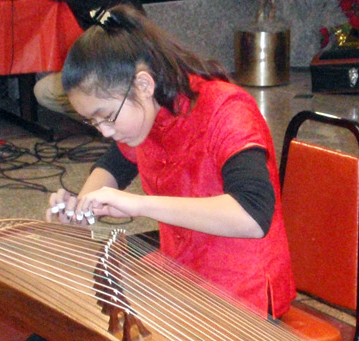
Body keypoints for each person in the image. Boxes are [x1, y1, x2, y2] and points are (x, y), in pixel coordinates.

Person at [46, 4, 295, 319]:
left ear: (144, 85)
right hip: (183, 279)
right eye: (93, 123)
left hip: (244, 296)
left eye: (107, 117)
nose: (106, 132)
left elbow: (253, 215)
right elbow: (114, 165)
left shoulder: (227, 111)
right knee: (73, 320)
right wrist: (81, 207)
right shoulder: (151, 111)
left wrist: (137, 205)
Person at [33, 0, 144, 119]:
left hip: (122, 68)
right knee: (45, 86)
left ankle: (117, 121)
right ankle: (107, 121)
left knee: (46, 90)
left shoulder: (111, 10)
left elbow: (120, 30)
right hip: (104, 64)